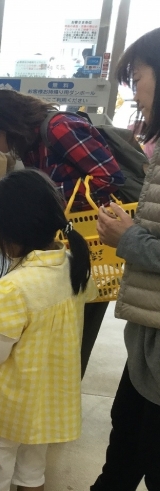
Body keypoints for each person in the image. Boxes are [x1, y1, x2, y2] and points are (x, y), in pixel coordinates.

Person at [0, 88, 125, 378]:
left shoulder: (59, 128)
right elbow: (28, 200)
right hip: (58, 244)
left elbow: (109, 177)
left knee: (73, 328)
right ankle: (39, 382)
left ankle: (58, 383)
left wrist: (51, 197)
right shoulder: (31, 145)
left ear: (8, 124)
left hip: (90, 243)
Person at [0, 169, 96, 491]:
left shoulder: (13, 288)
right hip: (47, 401)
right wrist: (0, 305)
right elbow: (46, 307)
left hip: (6, 406)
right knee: (32, 473)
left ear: (10, 234)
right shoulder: (74, 265)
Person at [92, 27, 160, 490]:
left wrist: (129, 237)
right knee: (124, 446)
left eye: (137, 78)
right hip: (147, 334)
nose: (135, 94)